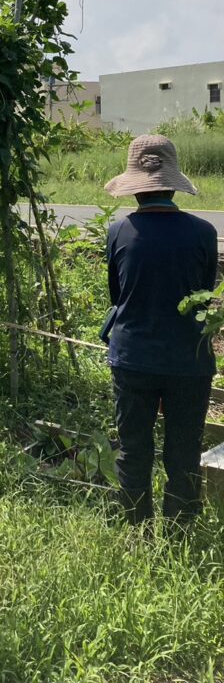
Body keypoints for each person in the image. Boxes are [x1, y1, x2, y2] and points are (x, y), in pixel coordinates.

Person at [104, 134, 218, 527]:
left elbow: (117, 294)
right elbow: (202, 300)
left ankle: (137, 530)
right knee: (184, 451)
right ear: (172, 185)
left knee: (134, 448)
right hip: (190, 359)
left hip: (133, 357)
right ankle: (180, 529)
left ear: (135, 188)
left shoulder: (119, 231)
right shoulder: (203, 232)